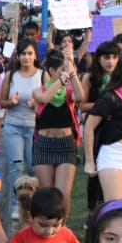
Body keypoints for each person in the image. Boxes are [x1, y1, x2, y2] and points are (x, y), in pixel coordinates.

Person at [83, 49, 122, 204]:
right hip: (113, 155)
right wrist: (90, 161)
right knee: (115, 208)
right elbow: (89, 127)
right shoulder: (110, 96)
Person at [30, 49, 84, 220]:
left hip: (65, 144)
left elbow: (80, 96)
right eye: (62, 70)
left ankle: (62, 227)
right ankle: (47, 225)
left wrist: (72, 74)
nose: (65, 73)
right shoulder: (38, 91)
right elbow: (45, 98)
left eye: (66, 70)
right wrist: (62, 79)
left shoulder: (69, 92)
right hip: (44, 144)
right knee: (47, 194)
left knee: (63, 194)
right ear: (52, 71)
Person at [0, 38, 44, 203]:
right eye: (23, 53)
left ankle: (35, 201)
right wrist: (11, 102)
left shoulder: (42, 75)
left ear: (35, 55)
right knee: (16, 166)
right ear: (18, 56)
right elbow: (1, 102)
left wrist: (37, 103)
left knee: (33, 167)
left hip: (34, 127)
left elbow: (49, 101)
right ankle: (15, 204)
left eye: (30, 53)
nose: (26, 57)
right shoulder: (11, 75)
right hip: (13, 126)